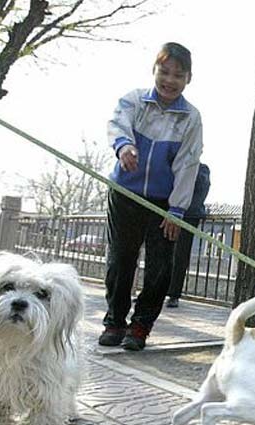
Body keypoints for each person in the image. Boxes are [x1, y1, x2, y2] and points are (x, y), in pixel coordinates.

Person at [99, 42, 203, 351]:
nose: (170, 80)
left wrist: (178, 209)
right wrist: (124, 146)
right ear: (154, 71)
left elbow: (188, 163)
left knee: (160, 268)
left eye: (178, 75)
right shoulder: (134, 101)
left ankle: (141, 325)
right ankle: (115, 322)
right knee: (120, 260)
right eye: (164, 72)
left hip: (164, 205)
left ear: (188, 79)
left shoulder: (191, 118)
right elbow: (117, 124)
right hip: (125, 194)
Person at [166, 162, 211, 308]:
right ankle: (155, 292)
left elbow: (201, 190)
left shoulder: (201, 169)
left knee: (180, 255)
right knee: (161, 254)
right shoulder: (174, 166)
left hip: (188, 216)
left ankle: (174, 295)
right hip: (169, 214)